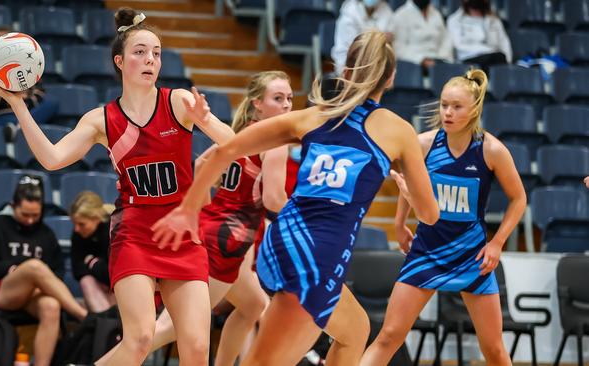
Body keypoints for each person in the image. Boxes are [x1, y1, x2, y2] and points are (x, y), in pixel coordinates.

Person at [152, 30, 440, 366]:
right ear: (390, 78)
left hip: (283, 238)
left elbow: (226, 150)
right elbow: (430, 215)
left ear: (345, 72)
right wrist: (407, 194)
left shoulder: (312, 116)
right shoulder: (397, 129)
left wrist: (188, 209)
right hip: (315, 256)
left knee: (355, 331)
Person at [0, 6, 234, 366]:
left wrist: (207, 119)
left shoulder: (178, 101)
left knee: (196, 348)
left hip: (182, 232)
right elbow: (53, 159)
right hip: (135, 233)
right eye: (140, 52)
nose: (151, 60)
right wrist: (18, 104)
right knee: (140, 339)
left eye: (156, 53)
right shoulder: (101, 119)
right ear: (120, 61)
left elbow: (233, 145)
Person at [360, 69, 527, 366]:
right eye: (444, 105)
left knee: (494, 350)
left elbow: (519, 198)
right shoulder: (423, 144)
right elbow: (408, 186)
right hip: (426, 252)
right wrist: (400, 224)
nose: (447, 112)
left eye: (456, 106)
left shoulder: (491, 150)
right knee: (388, 336)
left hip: (471, 256)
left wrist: (498, 242)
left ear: (474, 109)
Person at [139, 71, 292, 366]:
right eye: (278, 98)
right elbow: (273, 199)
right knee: (171, 328)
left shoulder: (244, 132)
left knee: (253, 304)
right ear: (258, 103)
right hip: (228, 236)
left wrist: (210, 212)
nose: (286, 105)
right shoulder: (274, 141)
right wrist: (303, 222)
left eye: (289, 98)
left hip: (217, 227)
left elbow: (201, 163)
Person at [0, 175, 88, 366]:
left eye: (36, 215)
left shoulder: (46, 234)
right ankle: (81, 315)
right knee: (34, 266)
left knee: (51, 306)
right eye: (25, 214)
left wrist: (39, 285)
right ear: (13, 205)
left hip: (33, 296)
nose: (31, 220)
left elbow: (57, 272)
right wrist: (12, 269)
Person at [0, 26, 58, 140]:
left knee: (52, 102)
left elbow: (39, 94)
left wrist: (18, 102)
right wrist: (16, 96)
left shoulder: (28, 68)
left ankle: (18, 128)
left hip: (28, 114)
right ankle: (21, 127)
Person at [69, 191, 115, 313]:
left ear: (96, 219)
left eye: (81, 224)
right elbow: (77, 270)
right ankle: (105, 323)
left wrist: (90, 261)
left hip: (117, 287)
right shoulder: (77, 234)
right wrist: (98, 265)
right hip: (97, 287)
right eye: (74, 223)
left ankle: (110, 325)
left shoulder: (112, 229)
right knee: (86, 281)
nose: (76, 229)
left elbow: (112, 274)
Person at [446, 0, 512, 72]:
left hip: (495, 59)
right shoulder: (454, 20)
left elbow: (504, 43)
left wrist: (508, 63)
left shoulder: (494, 20)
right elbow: (458, 45)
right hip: (468, 61)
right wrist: (486, 50)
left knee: (499, 59)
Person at [387, 0, 453, 72]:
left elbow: (445, 40)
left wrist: (442, 58)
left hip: (438, 62)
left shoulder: (436, 14)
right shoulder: (401, 15)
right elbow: (399, 48)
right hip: (413, 65)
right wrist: (421, 60)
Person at [332, 0, 394, 75]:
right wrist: (380, 40)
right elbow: (353, 49)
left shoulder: (386, 10)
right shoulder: (349, 12)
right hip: (348, 64)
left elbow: (389, 41)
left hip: (376, 64)